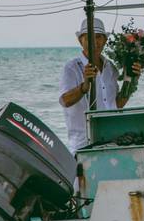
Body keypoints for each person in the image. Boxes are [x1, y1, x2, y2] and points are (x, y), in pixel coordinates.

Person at [59, 18, 139, 154]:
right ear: (80, 41)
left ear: (105, 41)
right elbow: (64, 101)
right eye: (89, 37)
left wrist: (131, 80)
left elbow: (116, 105)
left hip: (111, 140)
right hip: (83, 143)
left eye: (98, 37)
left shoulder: (111, 68)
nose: (95, 42)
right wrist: (84, 87)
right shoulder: (72, 68)